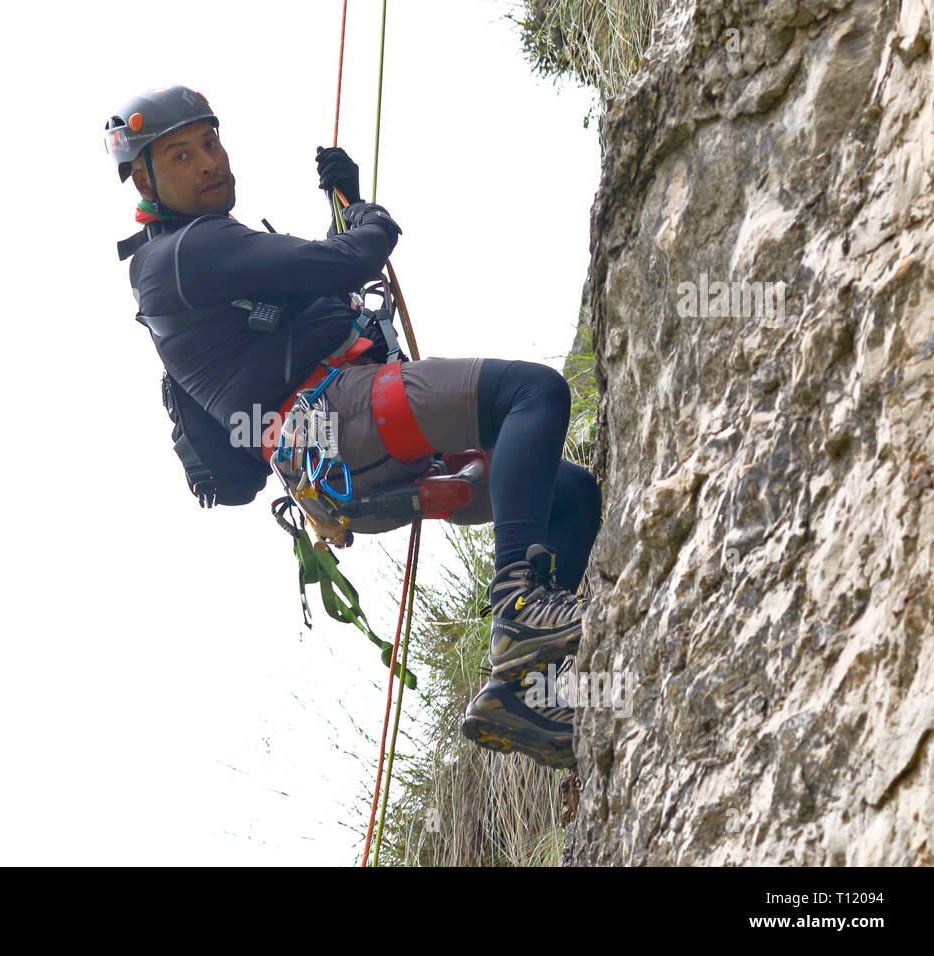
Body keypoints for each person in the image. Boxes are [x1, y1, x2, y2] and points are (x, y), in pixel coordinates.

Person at [106, 86, 601, 769]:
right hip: (343, 418)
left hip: (339, 454)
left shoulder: (197, 260)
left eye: (211, 144)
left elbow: (320, 286)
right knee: (533, 394)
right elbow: (352, 262)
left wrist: (345, 203)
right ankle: (519, 608)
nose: (208, 164)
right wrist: (371, 220)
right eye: (181, 155)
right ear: (143, 178)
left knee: (568, 495)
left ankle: (527, 695)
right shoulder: (187, 252)